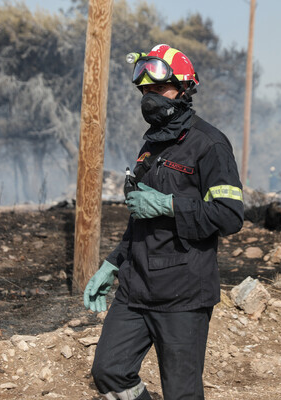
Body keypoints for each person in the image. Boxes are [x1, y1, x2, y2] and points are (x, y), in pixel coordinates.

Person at [83, 44, 244, 400]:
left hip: (183, 293)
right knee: (109, 371)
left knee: (181, 393)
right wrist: (112, 264)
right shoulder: (150, 146)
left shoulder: (210, 145)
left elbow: (231, 216)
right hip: (135, 288)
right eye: (145, 91)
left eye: (159, 89)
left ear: (184, 88)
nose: (150, 98)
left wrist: (170, 204)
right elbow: (141, 219)